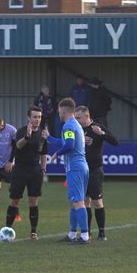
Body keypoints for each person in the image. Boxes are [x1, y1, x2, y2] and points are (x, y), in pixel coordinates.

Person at [47, 98, 90, 244]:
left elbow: (69, 145)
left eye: (59, 111)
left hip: (75, 167)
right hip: (82, 166)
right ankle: (72, 234)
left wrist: (56, 154)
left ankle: (84, 236)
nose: (59, 114)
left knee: (78, 202)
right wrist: (49, 138)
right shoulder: (75, 124)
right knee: (75, 201)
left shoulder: (68, 125)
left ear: (63, 111)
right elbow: (66, 141)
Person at [74, 106, 118, 241]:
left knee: (97, 202)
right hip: (81, 170)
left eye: (78, 118)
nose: (76, 120)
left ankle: (102, 233)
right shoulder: (77, 129)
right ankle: (86, 233)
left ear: (87, 117)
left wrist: (101, 134)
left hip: (94, 170)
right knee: (84, 201)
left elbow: (115, 141)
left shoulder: (97, 128)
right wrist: (80, 141)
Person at [6, 106, 48, 240]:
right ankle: (8, 229)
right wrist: (27, 137)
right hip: (20, 170)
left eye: (39, 117)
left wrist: (43, 168)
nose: (37, 119)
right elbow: (18, 145)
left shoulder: (42, 133)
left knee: (33, 201)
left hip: (35, 171)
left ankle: (33, 231)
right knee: (14, 201)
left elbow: (43, 153)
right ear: (29, 117)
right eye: (35, 117)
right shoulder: (21, 131)